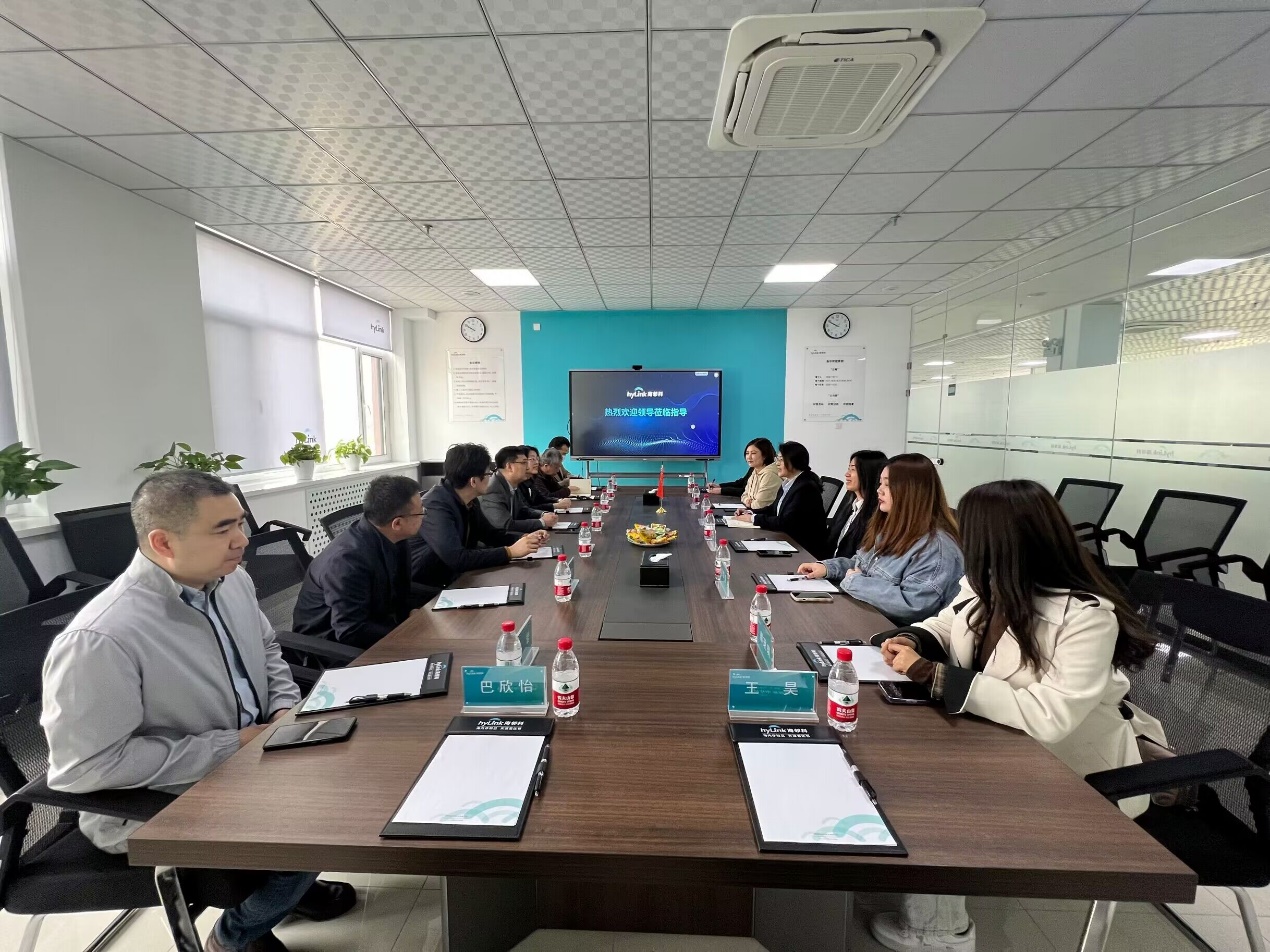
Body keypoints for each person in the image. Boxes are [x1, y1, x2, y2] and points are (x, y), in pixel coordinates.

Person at [41, 471, 355, 952]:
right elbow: (85, 768)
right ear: (163, 542)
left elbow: (268, 648)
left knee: (357, 772)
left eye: (240, 523)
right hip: (148, 803)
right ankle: (233, 936)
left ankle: (286, 891)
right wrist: (232, 746)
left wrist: (283, 708)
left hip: (247, 756)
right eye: (222, 528)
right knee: (326, 820)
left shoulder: (231, 581)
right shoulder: (101, 639)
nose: (243, 540)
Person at [866, 479, 1158, 952]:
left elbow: (1049, 717)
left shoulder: (1086, 617)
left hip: (1070, 771)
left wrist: (935, 676)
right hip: (997, 740)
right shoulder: (990, 584)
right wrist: (915, 638)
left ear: (998, 544)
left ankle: (940, 931)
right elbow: (949, 622)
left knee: (933, 786)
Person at [796, 453, 962, 624]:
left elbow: (912, 606)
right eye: (880, 483)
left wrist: (856, 582)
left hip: (892, 633)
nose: (879, 490)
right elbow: (860, 564)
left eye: (887, 485)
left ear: (911, 492)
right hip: (864, 617)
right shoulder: (891, 528)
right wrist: (827, 568)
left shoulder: (936, 549)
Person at [292, 475, 429, 649]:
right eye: (421, 512)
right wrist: (407, 633)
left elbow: (399, 593)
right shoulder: (347, 560)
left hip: (376, 627)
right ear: (397, 523)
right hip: (330, 650)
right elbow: (351, 631)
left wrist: (412, 613)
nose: (424, 515)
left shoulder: (396, 539)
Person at [409, 443, 548, 590]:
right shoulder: (435, 506)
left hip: (455, 578)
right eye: (488, 474)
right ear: (473, 481)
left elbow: (490, 534)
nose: (491, 477)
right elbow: (457, 558)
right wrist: (510, 552)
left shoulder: (469, 500)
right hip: (428, 586)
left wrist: (524, 538)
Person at [733, 441, 827, 557]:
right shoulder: (789, 483)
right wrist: (751, 512)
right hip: (788, 540)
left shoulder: (805, 488)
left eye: (781, 460)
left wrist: (753, 518)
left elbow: (785, 522)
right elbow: (774, 508)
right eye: (777, 459)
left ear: (794, 462)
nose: (777, 463)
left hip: (804, 549)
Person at [481, 445, 560, 534]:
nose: (527, 467)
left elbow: (522, 509)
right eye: (524, 463)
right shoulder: (493, 489)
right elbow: (505, 526)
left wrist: (543, 514)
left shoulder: (512, 483)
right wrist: (542, 522)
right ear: (509, 467)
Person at [825, 449, 888, 561]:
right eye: (848, 468)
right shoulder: (851, 505)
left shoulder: (876, 515)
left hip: (846, 569)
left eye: (853, 469)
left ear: (868, 473)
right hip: (829, 564)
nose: (847, 474)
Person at [707, 437, 781, 510]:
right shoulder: (755, 470)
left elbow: (759, 505)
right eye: (747, 453)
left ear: (765, 455)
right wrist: (747, 500)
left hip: (761, 515)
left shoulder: (769, 475)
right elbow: (744, 494)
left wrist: (750, 503)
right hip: (752, 513)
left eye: (753, 453)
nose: (749, 457)